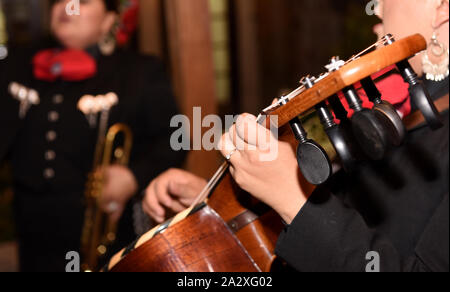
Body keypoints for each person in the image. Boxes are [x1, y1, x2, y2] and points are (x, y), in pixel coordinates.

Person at [142, 0, 449, 271]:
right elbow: (349, 221)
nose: (377, 7)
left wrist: (295, 200)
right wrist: (227, 211)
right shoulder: (408, 106)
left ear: (442, 8)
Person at [0, 0, 184, 272]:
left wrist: (133, 177)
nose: (67, 7)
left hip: (108, 236)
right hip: (31, 236)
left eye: (83, 1)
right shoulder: (16, 64)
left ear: (109, 20)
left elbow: (175, 140)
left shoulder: (140, 71)